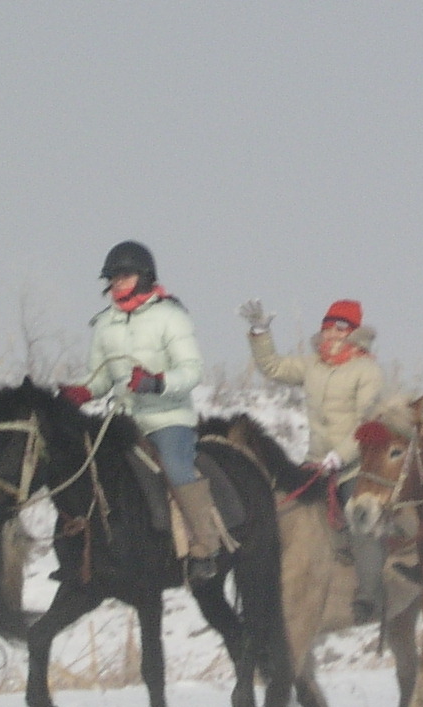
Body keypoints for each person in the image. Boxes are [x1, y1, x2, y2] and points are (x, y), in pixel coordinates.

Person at [67, 240, 225, 581]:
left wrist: (157, 382)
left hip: (168, 418)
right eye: (113, 277)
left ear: (144, 277)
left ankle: (204, 549)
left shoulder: (170, 316)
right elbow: (101, 377)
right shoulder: (104, 323)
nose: (118, 282)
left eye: (125, 275)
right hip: (123, 418)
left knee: (175, 468)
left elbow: (192, 370)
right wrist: (82, 391)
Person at [244, 295, 389, 616]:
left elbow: (368, 422)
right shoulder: (312, 364)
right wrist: (259, 332)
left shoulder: (367, 370)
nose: (331, 334)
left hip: (355, 466)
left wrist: (341, 456)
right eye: (327, 328)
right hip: (314, 463)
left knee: (361, 522)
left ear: (353, 332)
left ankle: (368, 596)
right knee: (282, 512)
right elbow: (273, 367)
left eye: (340, 328)